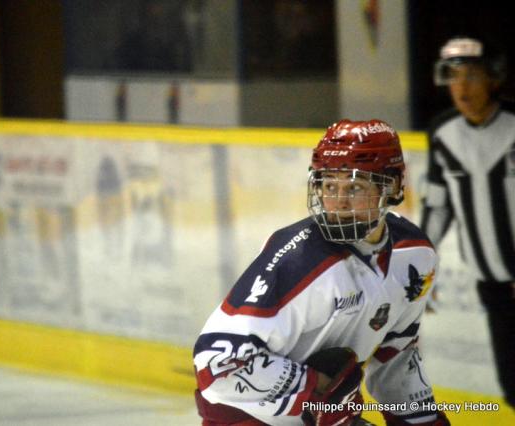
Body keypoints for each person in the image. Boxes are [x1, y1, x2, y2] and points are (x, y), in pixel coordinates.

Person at [193, 119, 450, 426]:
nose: (338, 203)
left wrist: (422, 420)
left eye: (355, 187)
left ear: (392, 186)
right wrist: (316, 391)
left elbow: (395, 357)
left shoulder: (415, 256)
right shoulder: (298, 260)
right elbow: (217, 365)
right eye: (329, 186)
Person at [421, 35, 515, 409]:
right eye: (452, 75)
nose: (461, 86)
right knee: (511, 385)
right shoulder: (443, 134)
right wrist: (421, 271)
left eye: (472, 75)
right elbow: (438, 206)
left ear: (493, 78)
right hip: (491, 285)